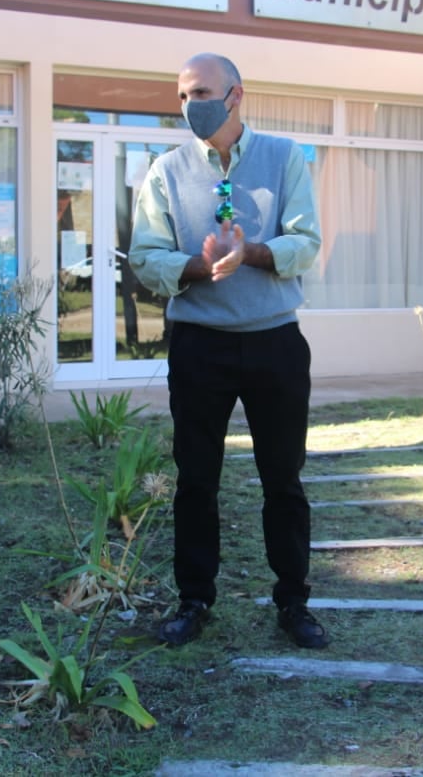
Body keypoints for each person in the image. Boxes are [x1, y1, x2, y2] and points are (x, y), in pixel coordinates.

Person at [129, 53, 327, 649]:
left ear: (237, 95)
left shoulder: (283, 157)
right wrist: (199, 264)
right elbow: (144, 257)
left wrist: (253, 254)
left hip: (273, 342)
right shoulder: (165, 171)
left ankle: (293, 601)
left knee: (283, 480)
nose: (192, 105)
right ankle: (194, 599)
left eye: (203, 93)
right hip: (200, 346)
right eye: (184, 95)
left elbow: (306, 241)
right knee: (196, 479)